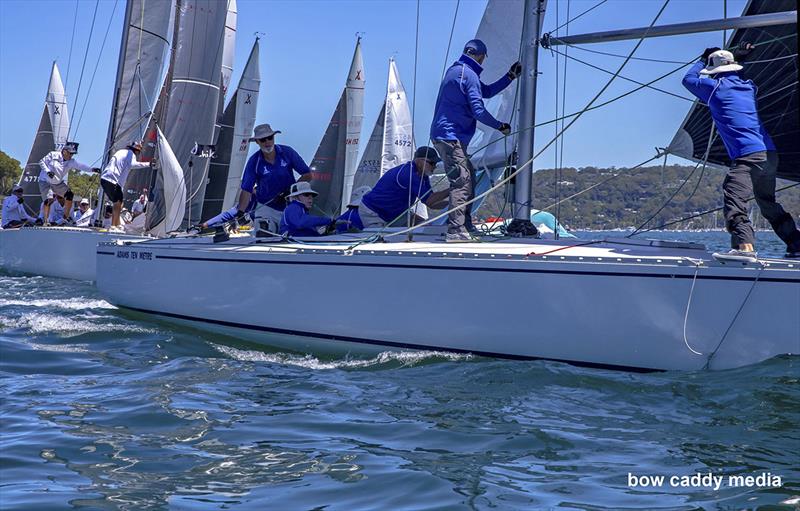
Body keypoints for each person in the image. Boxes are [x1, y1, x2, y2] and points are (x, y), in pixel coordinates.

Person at [683, 46, 800, 260]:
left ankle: (744, 247)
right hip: (769, 154)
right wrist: (738, 58)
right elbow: (737, 75)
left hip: (747, 156)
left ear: (713, 70)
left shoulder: (714, 88)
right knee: (767, 202)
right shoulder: (748, 87)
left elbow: (688, 79)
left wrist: (702, 59)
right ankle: (796, 242)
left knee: (734, 199)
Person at [430, 39, 521, 242]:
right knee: (462, 182)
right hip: (450, 137)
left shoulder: (458, 71)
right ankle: (456, 230)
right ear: (481, 56)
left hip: (445, 136)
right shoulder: (468, 75)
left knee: (467, 176)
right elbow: (478, 111)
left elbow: (486, 92)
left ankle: (465, 225)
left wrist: (510, 77)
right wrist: (500, 126)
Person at [235, 124, 312, 235]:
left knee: (294, 239)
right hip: (266, 208)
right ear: (257, 142)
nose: (267, 142)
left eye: (270, 138)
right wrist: (240, 212)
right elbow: (247, 189)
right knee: (263, 240)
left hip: (289, 208)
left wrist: (290, 191)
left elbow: (307, 174)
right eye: (262, 140)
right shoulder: (254, 161)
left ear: (273, 137)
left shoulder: (287, 152)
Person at [359, 147, 449, 229]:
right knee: (381, 240)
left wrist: (452, 204)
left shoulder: (423, 176)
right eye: (431, 163)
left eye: (435, 164)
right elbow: (430, 200)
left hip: (394, 213)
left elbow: (431, 204)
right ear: (419, 161)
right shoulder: (409, 174)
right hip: (374, 213)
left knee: (425, 225)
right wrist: (452, 189)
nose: (434, 167)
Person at [100, 140, 156, 232]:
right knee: (118, 203)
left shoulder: (121, 151)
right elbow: (133, 164)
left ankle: (117, 225)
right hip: (112, 180)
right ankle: (113, 226)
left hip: (106, 179)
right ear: (136, 151)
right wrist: (149, 164)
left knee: (119, 202)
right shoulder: (131, 155)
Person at [38, 142, 98, 225]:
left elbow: (81, 166)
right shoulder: (53, 154)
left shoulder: (71, 161)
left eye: (73, 154)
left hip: (57, 183)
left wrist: (92, 170)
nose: (71, 156)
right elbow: (41, 162)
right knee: (49, 199)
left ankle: (65, 218)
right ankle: (45, 221)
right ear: (64, 151)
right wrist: (48, 171)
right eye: (70, 153)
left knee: (69, 195)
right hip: (45, 180)